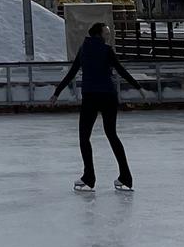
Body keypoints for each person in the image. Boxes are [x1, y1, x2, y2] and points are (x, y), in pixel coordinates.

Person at [50, 22, 143, 191]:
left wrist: (57, 92)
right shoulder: (107, 50)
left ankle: (89, 177)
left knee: (84, 138)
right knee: (112, 135)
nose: (108, 35)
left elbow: (72, 72)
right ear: (98, 34)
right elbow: (121, 70)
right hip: (108, 96)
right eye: (106, 33)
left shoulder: (83, 49)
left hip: (91, 97)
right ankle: (126, 177)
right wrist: (137, 86)